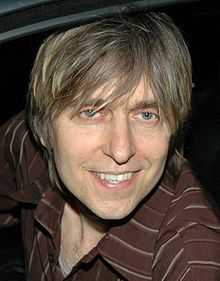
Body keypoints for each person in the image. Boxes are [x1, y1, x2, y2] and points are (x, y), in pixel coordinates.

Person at [0, 11, 220, 281]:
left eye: (146, 115)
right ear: (44, 127)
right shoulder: (25, 145)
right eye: (92, 112)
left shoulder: (192, 261)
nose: (121, 150)